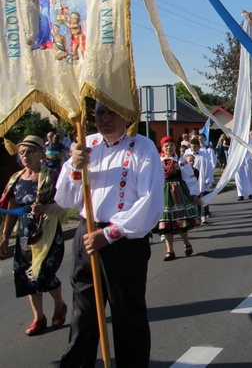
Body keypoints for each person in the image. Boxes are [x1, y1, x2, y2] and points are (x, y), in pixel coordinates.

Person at [55, 103, 164, 367]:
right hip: (86, 234)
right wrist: (74, 168)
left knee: (128, 315)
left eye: (111, 112)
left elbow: (150, 202)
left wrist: (111, 233)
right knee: (84, 314)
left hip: (123, 240)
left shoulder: (143, 146)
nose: (104, 118)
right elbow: (65, 198)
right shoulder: (85, 144)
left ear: (126, 115)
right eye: (100, 112)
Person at [0, 135, 67, 336]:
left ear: (40, 155)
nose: (25, 156)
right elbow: (12, 207)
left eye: (30, 152)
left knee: (44, 274)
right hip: (24, 234)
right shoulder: (16, 179)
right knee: (27, 276)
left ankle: (59, 304)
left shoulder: (53, 176)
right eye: (22, 152)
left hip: (47, 234)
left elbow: (66, 204)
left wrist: (46, 207)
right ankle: (39, 317)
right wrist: (4, 236)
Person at [154, 137, 201, 261]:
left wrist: (194, 194)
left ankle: (187, 243)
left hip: (178, 193)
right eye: (166, 146)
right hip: (163, 193)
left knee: (180, 221)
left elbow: (190, 178)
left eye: (171, 145)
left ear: (175, 147)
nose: (169, 148)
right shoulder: (157, 161)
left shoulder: (181, 161)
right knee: (166, 223)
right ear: (162, 147)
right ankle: (170, 251)